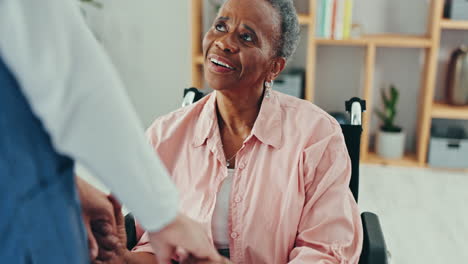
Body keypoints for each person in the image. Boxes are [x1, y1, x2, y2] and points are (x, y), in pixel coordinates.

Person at [102, 0, 363, 263]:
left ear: (274, 67)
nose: (223, 42)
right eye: (220, 26)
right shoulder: (165, 135)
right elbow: (153, 248)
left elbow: (325, 252)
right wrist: (122, 258)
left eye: (246, 37)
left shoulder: (317, 135)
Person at [0, 0, 222, 263]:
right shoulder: (167, 131)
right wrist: (164, 217)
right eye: (220, 25)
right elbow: (73, 84)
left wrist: (73, 186)